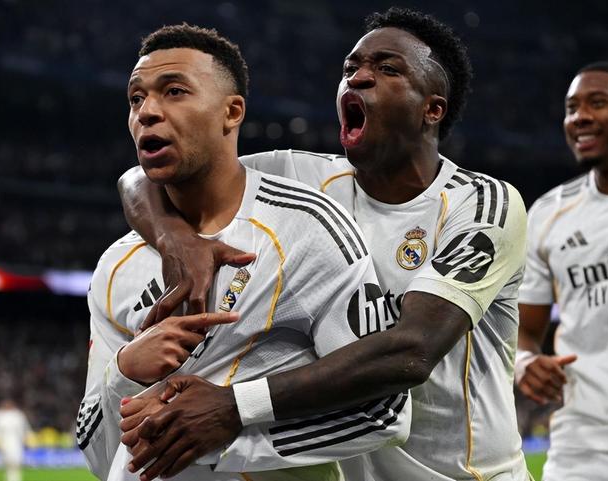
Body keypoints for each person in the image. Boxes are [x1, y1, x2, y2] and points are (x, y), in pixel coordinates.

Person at [117, 8, 530, 481]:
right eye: (350, 67)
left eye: (387, 68)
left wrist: (234, 406)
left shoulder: (482, 204)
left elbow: (411, 350)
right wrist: (174, 237)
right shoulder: (303, 178)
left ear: (431, 109)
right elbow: (146, 175)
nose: (358, 78)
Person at [76, 23, 410, 481]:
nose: (147, 112)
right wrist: (125, 370)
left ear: (231, 112)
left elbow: (384, 411)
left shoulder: (307, 229)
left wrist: (226, 433)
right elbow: (98, 456)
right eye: (136, 98)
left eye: (174, 92)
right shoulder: (117, 264)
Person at [516, 62, 608, 480]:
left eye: (598, 103)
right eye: (572, 108)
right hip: (582, 448)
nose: (580, 117)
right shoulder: (548, 214)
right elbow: (524, 330)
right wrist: (524, 362)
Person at [0, 399, 31, 481]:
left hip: (16, 441)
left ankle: (14, 478)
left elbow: (25, 429)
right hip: (2, 441)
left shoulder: (18, 415)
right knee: (6, 462)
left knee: (16, 462)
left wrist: (26, 438)